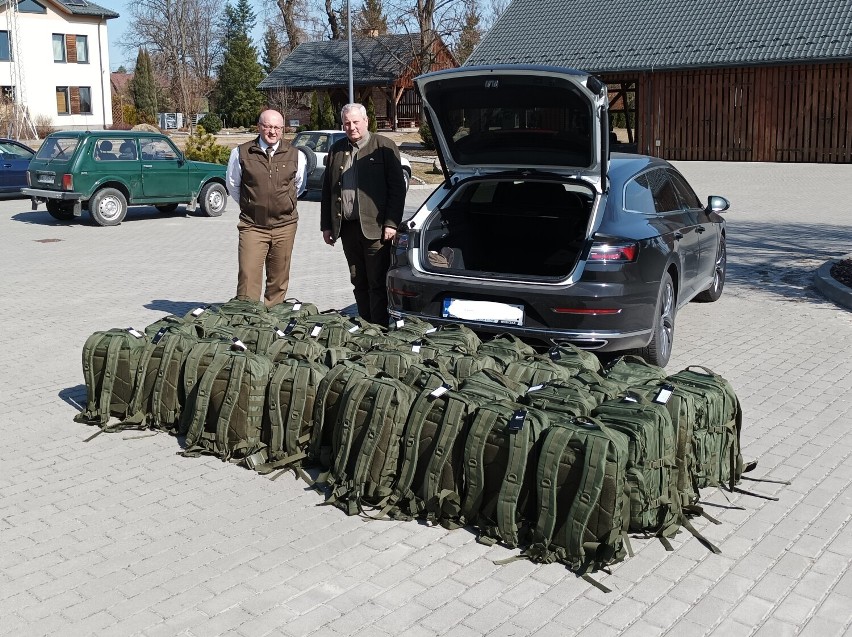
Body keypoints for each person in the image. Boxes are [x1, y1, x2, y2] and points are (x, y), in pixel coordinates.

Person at [320, 103, 406, 325]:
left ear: (366, 121)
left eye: (356, 122)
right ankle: (365, 322)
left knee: (377, 282)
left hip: (376, 229)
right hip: (348, 228)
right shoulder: (337, 149)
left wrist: (391, 223)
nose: (351, 127)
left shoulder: (384, 146)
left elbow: (397, 189)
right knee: (358, 280)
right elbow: (328, 191)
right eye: (347, 123)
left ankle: (378, 328)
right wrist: (327, 226)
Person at [226, 109, 308, 307]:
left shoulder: (296, 155)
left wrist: (282, 204)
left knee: (278, 278)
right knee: (248, 276)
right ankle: (248, 320)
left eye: (277, 127)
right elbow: (233, 185)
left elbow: (299, 186)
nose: (272, 131)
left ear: (283, 129)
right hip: (252, 226)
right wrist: (252, 205)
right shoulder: (241, 153)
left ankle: (273, 319)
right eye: (268, 126)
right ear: (259, 127)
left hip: (285, 226)